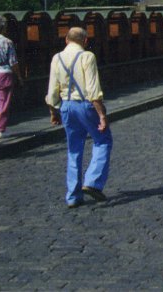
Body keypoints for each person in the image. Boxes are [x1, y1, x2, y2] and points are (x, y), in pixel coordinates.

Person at [45, 27, 112, 207]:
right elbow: (93, 89)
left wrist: (53, 112)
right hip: (85, 106)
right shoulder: (87, 57)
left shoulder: (57, 58)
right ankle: (93, 182)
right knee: (103, 140)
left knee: (74, 149)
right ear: (85, 41)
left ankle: (73, 196)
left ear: (66, 40)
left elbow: (52, 91)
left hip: (66, 106)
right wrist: (102, 115)